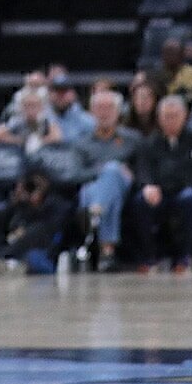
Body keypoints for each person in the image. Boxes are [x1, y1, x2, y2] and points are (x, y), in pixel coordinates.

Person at [126, 94, 192, 272]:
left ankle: (185, 255)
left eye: (174, 116)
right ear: (159, 119)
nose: (170, 120)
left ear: (184, 116)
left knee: (190, 199)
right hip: (160, 193)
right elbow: (142, 169)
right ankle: (150, 256)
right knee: (140, 201)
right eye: (166, 116)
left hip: (190, 192)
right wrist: (147, 186)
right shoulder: (149, 144)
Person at [74, 89, 141, 269]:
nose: (104, 113)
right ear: (91, 112)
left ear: (118, 112)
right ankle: (107, 250)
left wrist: (128, 173)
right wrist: (101, 172)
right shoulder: (81, 143)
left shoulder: (132, 139)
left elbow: (142, 169)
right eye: (99, 108)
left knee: (113, 171)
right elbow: (76, 174)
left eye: (109, 108)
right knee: (108, 180)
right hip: (93, 187)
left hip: (125, 186)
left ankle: (94, 212)